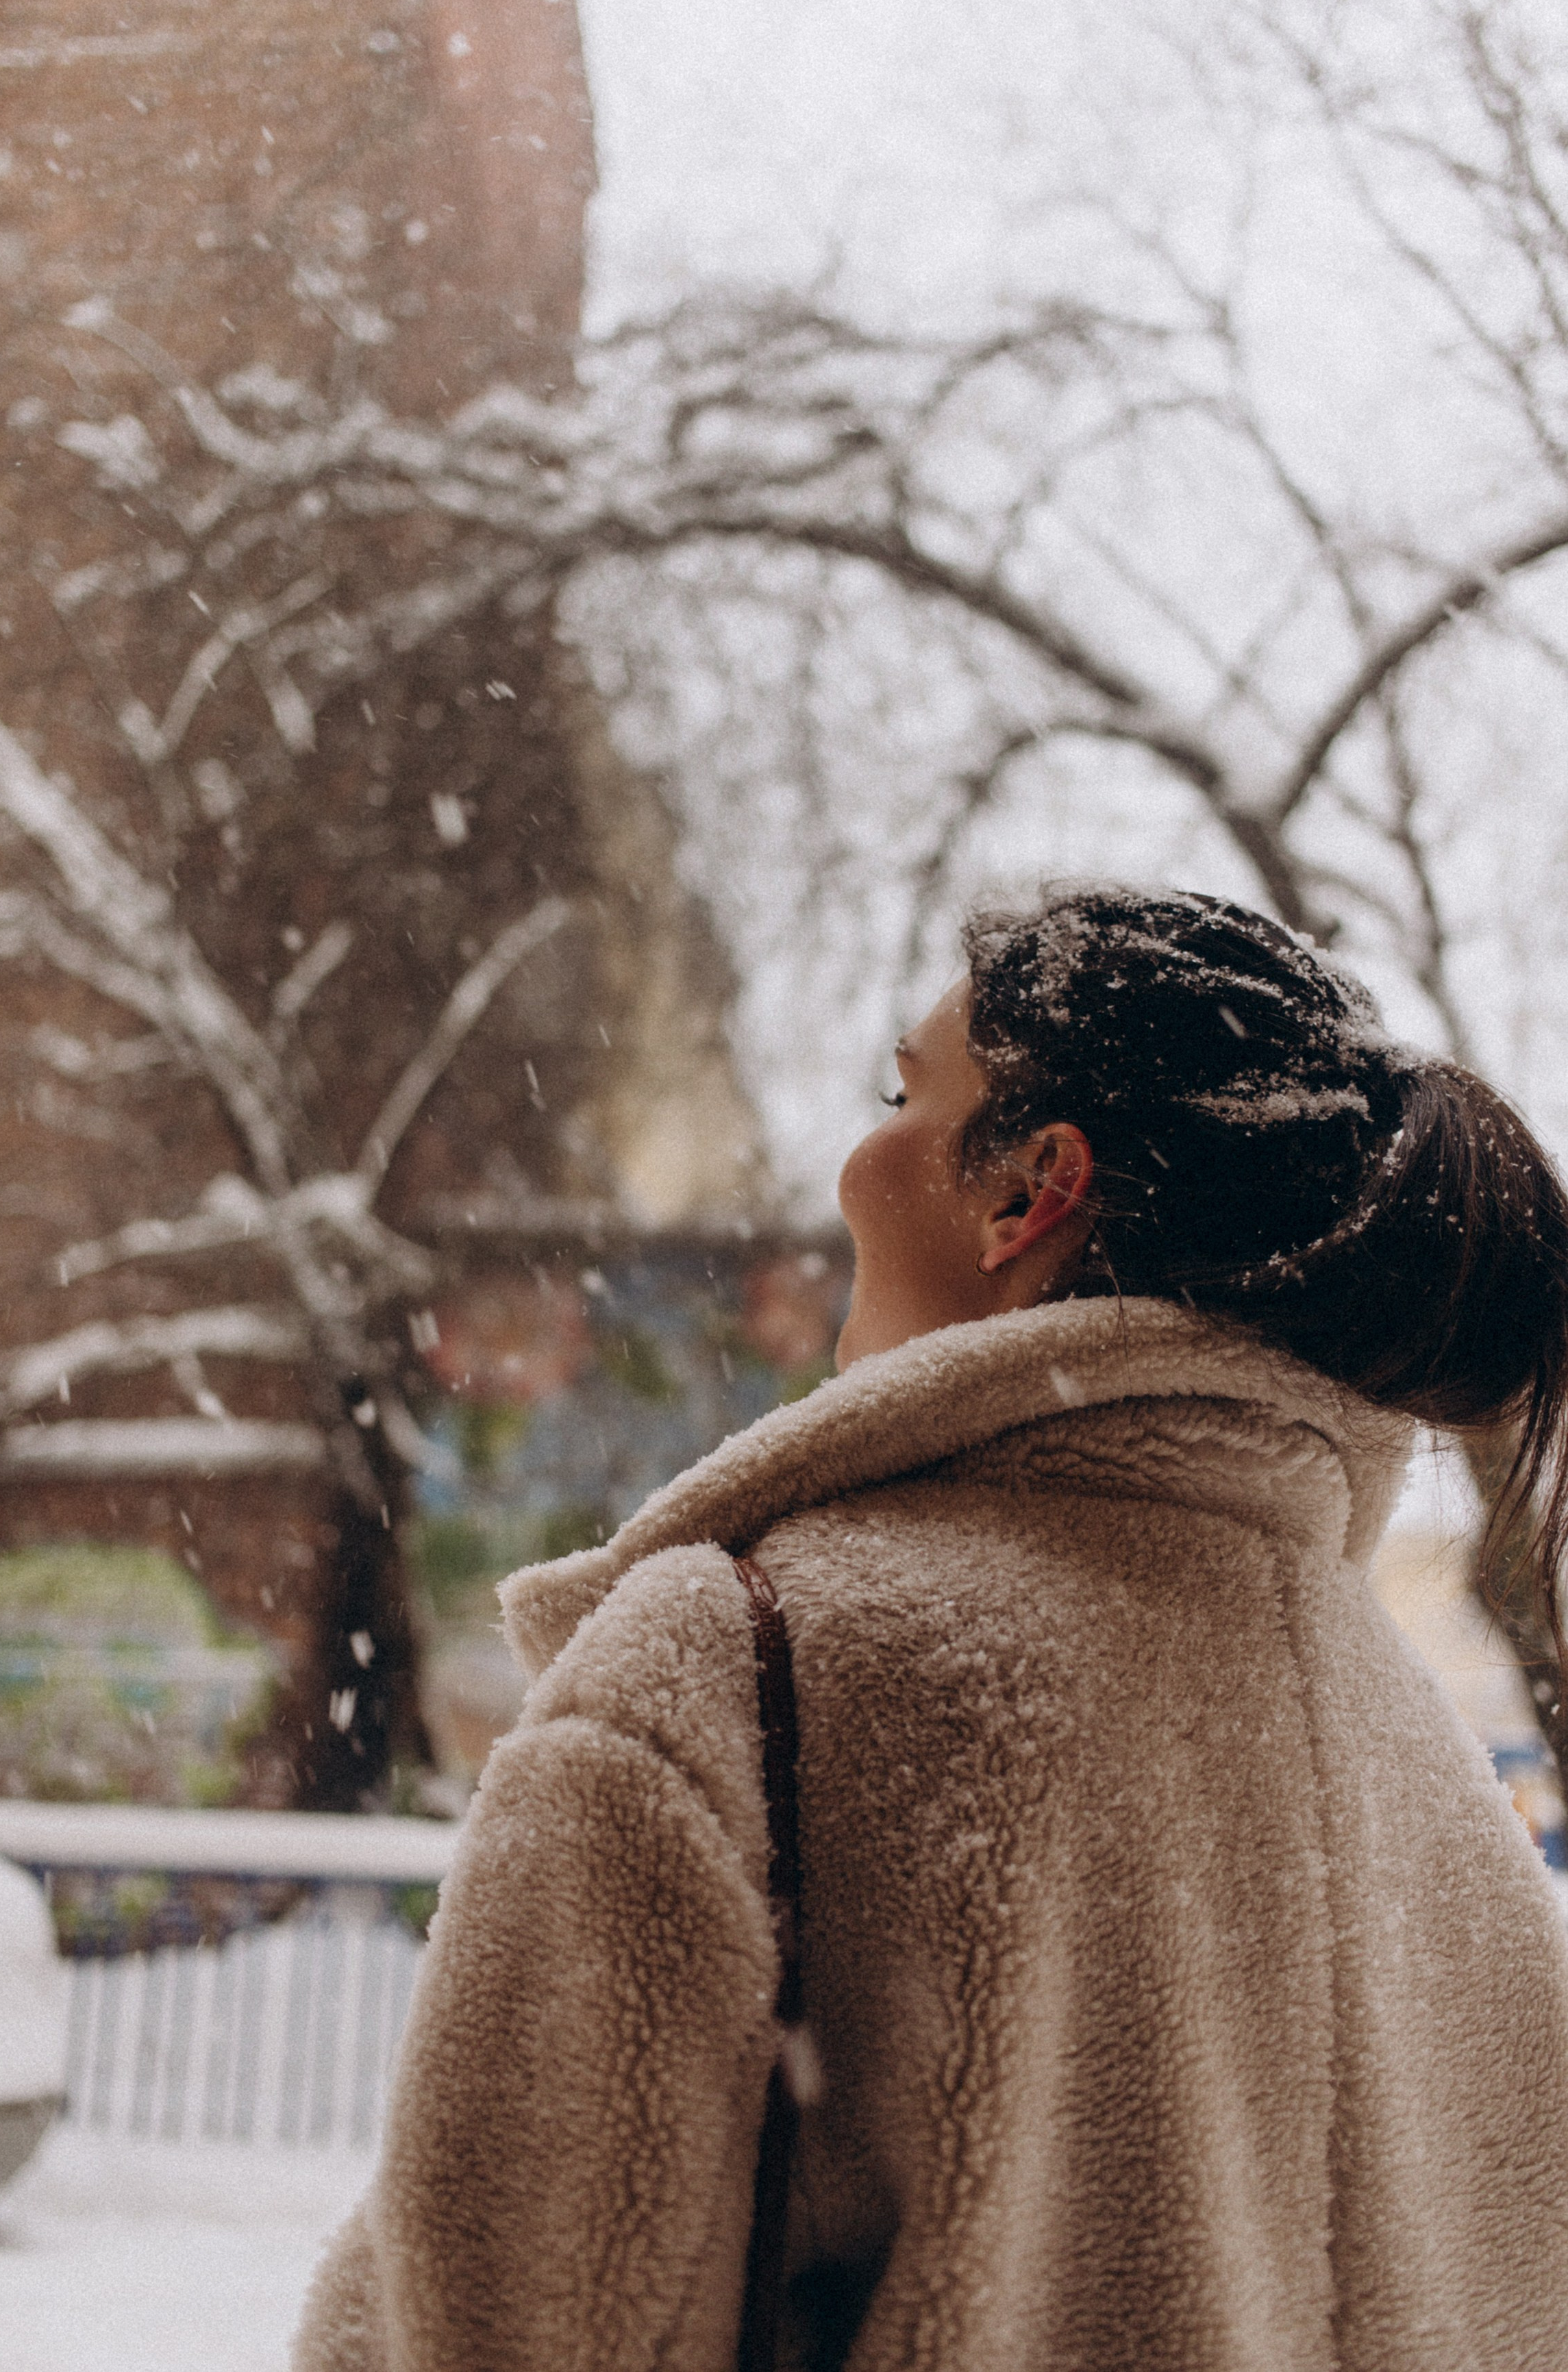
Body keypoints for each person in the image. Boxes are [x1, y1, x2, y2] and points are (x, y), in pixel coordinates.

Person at [295, 886, 1568, 2372]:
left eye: (905, 1095)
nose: (856, 1164)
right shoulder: (1430, 1779)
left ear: (1032, 1189)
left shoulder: (737, 1669)